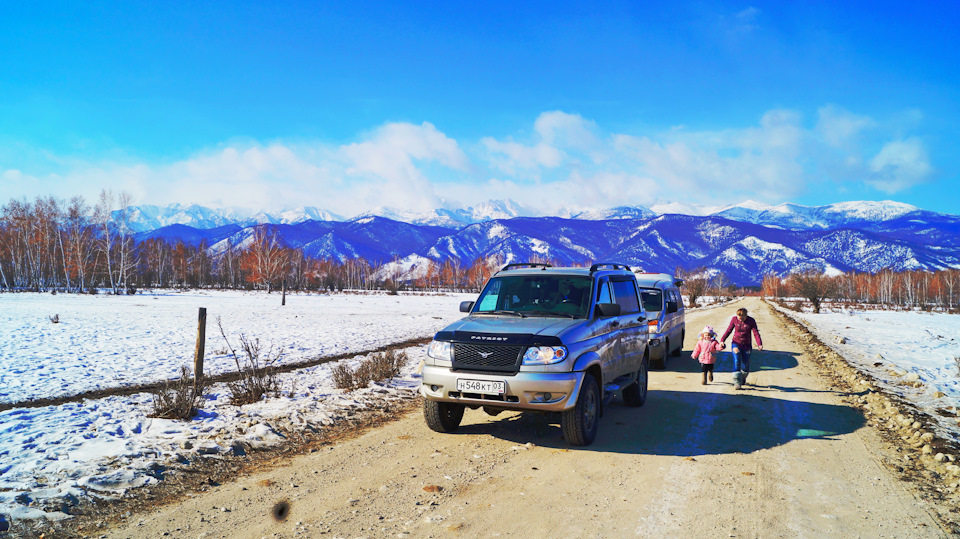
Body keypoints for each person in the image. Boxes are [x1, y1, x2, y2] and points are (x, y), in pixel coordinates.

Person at [721, 307, 763, 390]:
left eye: (742, 318)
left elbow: (755, 333)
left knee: (745, 364)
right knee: (737, 361)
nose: (740, 320)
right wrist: (722, 340)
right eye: (738, 318)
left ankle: (743, 377)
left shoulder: (751, 321)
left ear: (746, 316)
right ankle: (737, 382)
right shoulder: (734, 320)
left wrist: (759, 344)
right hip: (736, 343)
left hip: (747, 345)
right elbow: (729, 330)